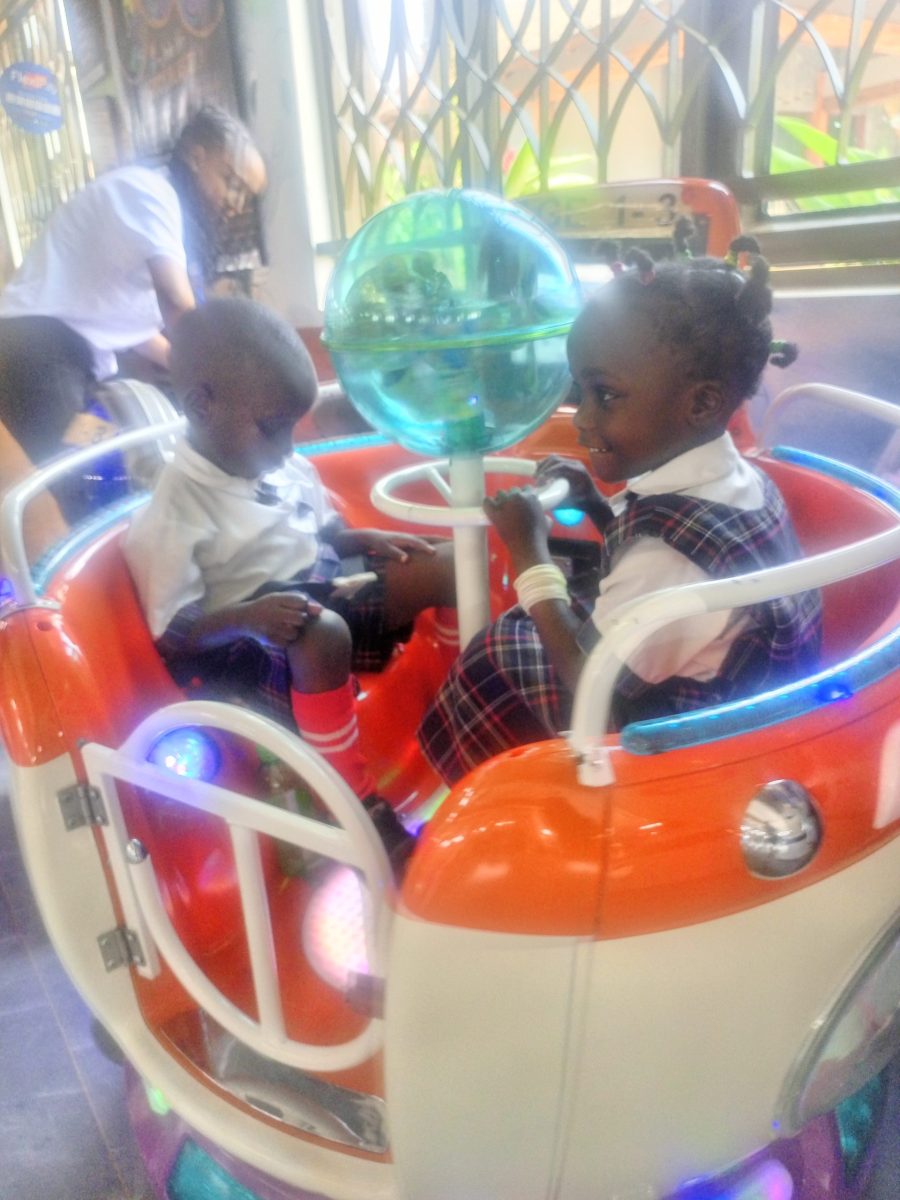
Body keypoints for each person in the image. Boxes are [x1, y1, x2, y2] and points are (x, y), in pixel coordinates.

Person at [419, 239, 823, 785]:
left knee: (498, 652)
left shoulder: (668, 555)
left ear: (701, 402)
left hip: (690, 751)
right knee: (531, 622)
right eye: (579, 392)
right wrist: (592, 501)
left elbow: (588, 675)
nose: (581, 419)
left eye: (605, 395)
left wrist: (528, 552)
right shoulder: (736, 479)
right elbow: (669, 565)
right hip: (740, 695)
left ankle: (484, 793)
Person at [123, 297, 456, 866]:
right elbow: (175, 636)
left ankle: (455, 706)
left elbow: (321, 531)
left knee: (447, 560)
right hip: (253, 642)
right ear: (201, 405)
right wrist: (247, 618)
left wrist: (363, 539)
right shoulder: (171, 513)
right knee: (320, 632)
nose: (288, 449)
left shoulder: (283, 463)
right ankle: (350, 800)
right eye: (273, 429)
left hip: (321, 589)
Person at [0, 104, 266, 467]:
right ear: (196, 156)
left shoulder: (165, 221)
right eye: (231, 182)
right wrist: (219, 379)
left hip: (64, 358)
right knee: (76, 476)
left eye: (246, 196)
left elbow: (132, 328)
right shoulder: (151, 192)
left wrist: (183, 367)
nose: (235, 204)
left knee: (113, 464)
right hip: (38, 351)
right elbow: (178, 304)